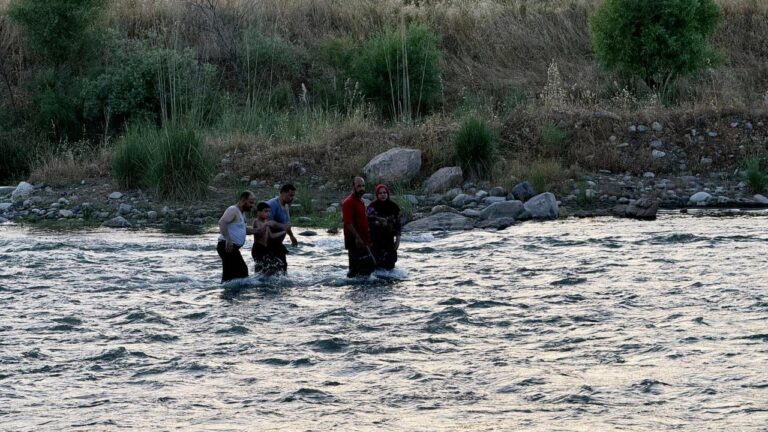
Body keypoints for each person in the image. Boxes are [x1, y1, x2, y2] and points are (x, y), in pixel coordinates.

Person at [217, 191, 256, 283]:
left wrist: (257, 231)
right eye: (250, 202)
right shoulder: (233, 210)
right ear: (243, 200)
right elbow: (222, 222)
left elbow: (244, 230)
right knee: (242, 272)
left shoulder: (241, 213)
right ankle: (229, 294)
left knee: (231, 275)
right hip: (227, 246)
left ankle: (228, 294)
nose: (252, 205)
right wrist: (228, 239)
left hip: (231, 247)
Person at [342, 177, 374, 278]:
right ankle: (356, 291)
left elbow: (363, 220)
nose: (361, 188)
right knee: (362, 269)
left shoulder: (361, 201)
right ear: (353, 187)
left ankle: (359, 291)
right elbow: (348, 223)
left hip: (363, 240)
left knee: (361, 269)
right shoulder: (348, 202)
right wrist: (358, 238)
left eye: (363, 186)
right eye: (359, 186)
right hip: (354, 240)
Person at [367, 184, 401, 270]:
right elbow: (368, 222)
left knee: (390, 267)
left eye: (384, 192)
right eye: (380, 193)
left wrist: (398, 240)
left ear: (388, 193)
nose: (383, 195)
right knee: (376, 267)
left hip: (389, 241)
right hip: (375, 241)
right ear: (377, 194)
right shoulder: (372, 207)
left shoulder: (394, 207)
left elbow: (398, 225)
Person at [266, 184, 299, 273]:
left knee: (283, 270)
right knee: (269, 272)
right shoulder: (271, 204)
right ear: (282, 193)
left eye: (293, 196)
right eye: (290, 195)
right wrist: (282, 226)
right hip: (267, 246)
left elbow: (286, 225)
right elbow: (267, 223)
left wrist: (292, 236)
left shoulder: (285, 206)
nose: (292, 198)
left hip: (278, 244)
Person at [251, 202, 287, 276]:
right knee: (262, 267)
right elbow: (259, 231)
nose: (268, 214)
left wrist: (283, 232)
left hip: (265, 248)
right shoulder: (256, 221)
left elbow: (271, 236)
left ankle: (265, 279)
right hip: (258, 248)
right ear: (258, 212)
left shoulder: (266, 222)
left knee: (276, 264)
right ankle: (258, 280)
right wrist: (266, 224)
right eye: (265, 211)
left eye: (269, 212)